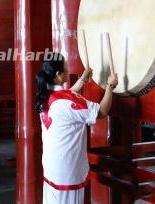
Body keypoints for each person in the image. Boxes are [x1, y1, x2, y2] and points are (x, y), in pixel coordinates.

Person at [35, 53, 118, 204]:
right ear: (58, 75)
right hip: (68, 170)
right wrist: (110, 86)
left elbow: (66, 98)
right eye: (66, 67)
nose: (68, 68)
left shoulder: (45, 95)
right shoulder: (67, 100)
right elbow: (101, 111)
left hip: (52, 166)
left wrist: (83, 80)